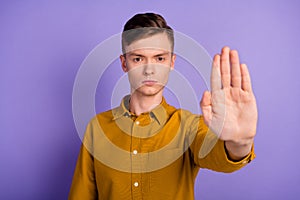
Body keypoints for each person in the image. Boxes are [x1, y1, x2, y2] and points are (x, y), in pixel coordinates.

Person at [69, 13, 257, 200]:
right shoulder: (97, 127)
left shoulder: (189, 126)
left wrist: (240, 142)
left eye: (159, 58)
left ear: (171, 62)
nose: (149, 69)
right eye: (138, 59)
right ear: (124, 63)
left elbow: (223, 159)